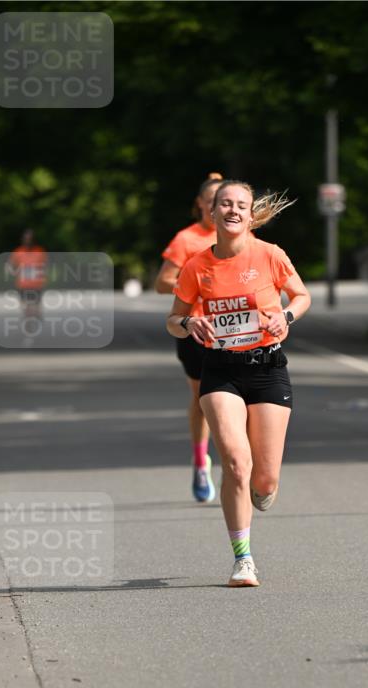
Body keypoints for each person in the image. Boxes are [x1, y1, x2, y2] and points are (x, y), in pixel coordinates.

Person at [166, 180, 311, 587]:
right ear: (211, 213)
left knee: (263, 481)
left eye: (240, 205)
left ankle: (263, 487)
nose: (232, 210)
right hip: (220, 371)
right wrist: (190, 321)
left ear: (250, 215)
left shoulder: (269, 255)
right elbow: (172, 320)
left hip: (267, 369)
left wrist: (286, 316)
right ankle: (243, 559)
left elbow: (301, 296)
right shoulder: (197, 265)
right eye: (224, 204)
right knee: (235, 462)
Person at [155, 173, 223, 502]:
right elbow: (162, 281)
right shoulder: (187, 239)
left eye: (222, 201)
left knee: (250, 395)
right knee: (202, 399)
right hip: (194, 327)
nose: (217, 207)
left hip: (237, 330)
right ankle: (200, 461)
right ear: (200, 204)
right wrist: (195, 281)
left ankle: (246, 461)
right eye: (211, 201)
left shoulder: (244, 236)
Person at [9, 229, 47, 323]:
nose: (28, 241)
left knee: (36, 306)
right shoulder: (17, 252)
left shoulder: (40, 251)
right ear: (22, 240)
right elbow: (11, 266)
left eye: (30, 239)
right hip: (23, 285)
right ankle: (28, 320)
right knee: (26, 306)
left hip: (36, 285)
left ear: (34, 240)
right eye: (26, 239)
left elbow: (45, 266)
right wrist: (14, 272)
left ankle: (37, 315)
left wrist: (43, 275)